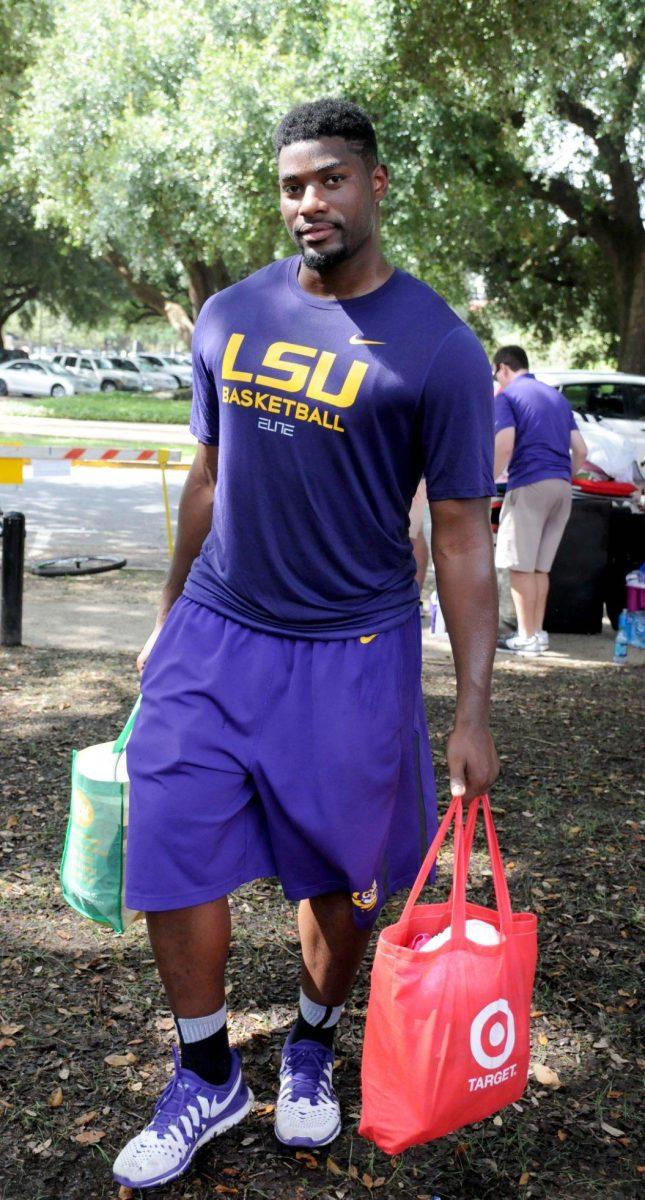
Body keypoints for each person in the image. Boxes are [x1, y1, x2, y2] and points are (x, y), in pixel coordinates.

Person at [113, 97, 499, 1192]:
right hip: (220, 631)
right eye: (293, 185)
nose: (310, 203)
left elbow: (464, 536)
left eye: (331, 179)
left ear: (377, 186)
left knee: (341, 874)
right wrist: (165, 617)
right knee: (172, 829)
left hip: (353, 648)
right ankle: (205, 1074)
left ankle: (312, 1049)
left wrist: (471, 710)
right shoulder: (229, 314)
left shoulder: (438, 348)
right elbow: (206, 480)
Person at [493, 345, 587, 655]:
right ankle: (537, 632)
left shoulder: (507, 397)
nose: (497, 381)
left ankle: (525, 637)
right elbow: (582, 450)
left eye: (497, 374)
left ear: (504, 368)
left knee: (519, 565)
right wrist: (564, 475)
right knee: (539, 569)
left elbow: (505, 445)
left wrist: (486, 480)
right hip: (562, 486)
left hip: (530, 482)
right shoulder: (557, 397)